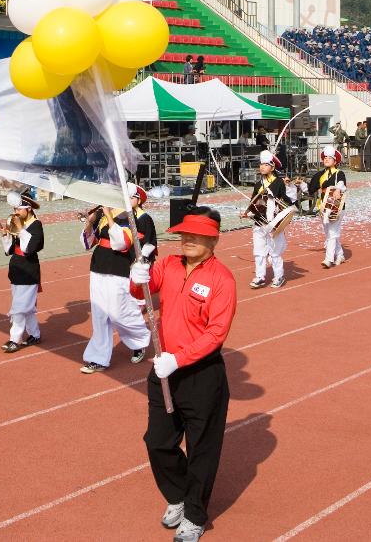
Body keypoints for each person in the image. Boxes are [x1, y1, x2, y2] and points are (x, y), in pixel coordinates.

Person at [129, 207, 237, 542]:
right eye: (184, 234)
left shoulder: (223, 279)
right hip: (163, 371)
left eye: (196, 235)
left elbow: (216, 333)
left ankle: (194, 514)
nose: (187, 239)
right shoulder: (169, 265)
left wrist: (180, 359)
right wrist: (137, 276)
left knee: (202, 450)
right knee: (157, 442)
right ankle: (177, 494)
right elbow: (141, 293)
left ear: (213, 239)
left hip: (201, 375)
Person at [78, 202, 150, 374]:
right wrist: (89, 222)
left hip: (119, 269)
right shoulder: (102, 215)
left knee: (119, 313)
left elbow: (122, 243)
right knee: (99, 314)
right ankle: (98, 358)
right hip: (98, 268)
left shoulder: (126, 214)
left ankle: (139, 340)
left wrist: (109, 214)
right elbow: (89, 243)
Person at [243, 150, 295, 289]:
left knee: (275, 252)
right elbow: (254, 203)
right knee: (259, 252)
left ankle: (279, 276)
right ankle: (260, 276)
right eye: (261, 164)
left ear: (272, 167)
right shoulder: (257, 184)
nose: (262, 167)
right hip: (259, 222)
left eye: (266, 165)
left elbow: (285, 200)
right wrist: (247, 213)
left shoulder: (279, 182)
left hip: (273, 224)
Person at [0, 191, 44, 353]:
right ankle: (35, 335)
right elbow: (10, 250)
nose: (15, 212)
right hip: (17, 269)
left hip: (29, 270)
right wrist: (6, 235)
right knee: (28, 308)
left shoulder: (36, 226)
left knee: (18, 309)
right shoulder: (21, 223)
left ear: (28, 209)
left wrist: (19, 228)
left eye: (18, 209)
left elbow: (29, 249)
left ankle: (14, 339)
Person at [308, 146, 347, 268]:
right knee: (330, 233)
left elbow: (341, 183)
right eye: (325, 157)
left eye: (330, 158)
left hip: (336, 206)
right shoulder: (320, 174)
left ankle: (328, 259)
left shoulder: (339, 173)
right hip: (323, 207)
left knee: (332, 232)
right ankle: (340, 254)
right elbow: (311, 189)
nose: (326, 159)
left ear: (335, 161)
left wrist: (338, 189)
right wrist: (299, 185)